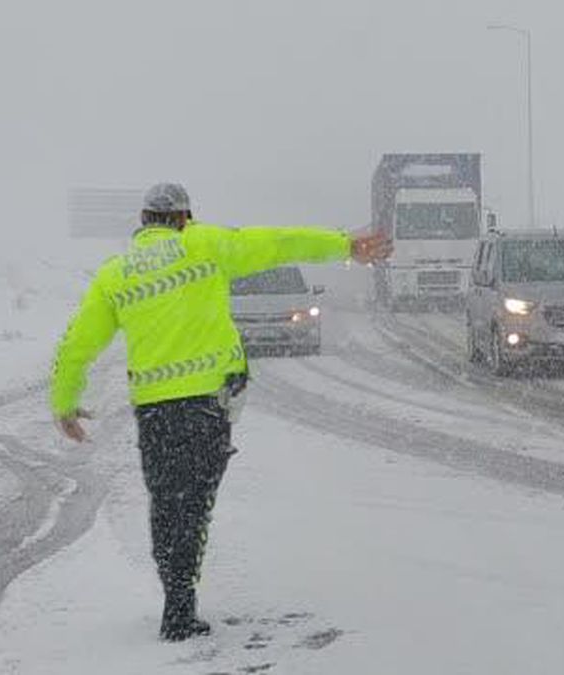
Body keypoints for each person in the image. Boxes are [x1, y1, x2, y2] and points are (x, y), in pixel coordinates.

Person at [49, 183, 391, 641]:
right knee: (194, 507)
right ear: (184, 218)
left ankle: (175, 595)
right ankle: (180, 606)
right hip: (208, 406)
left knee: (165, 505)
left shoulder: (115, 275)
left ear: (144, 221)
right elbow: (277, 243)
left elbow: (78, 343)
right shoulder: (204, 245)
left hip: (154, 412)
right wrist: (344, 245)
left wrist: (65, 402)